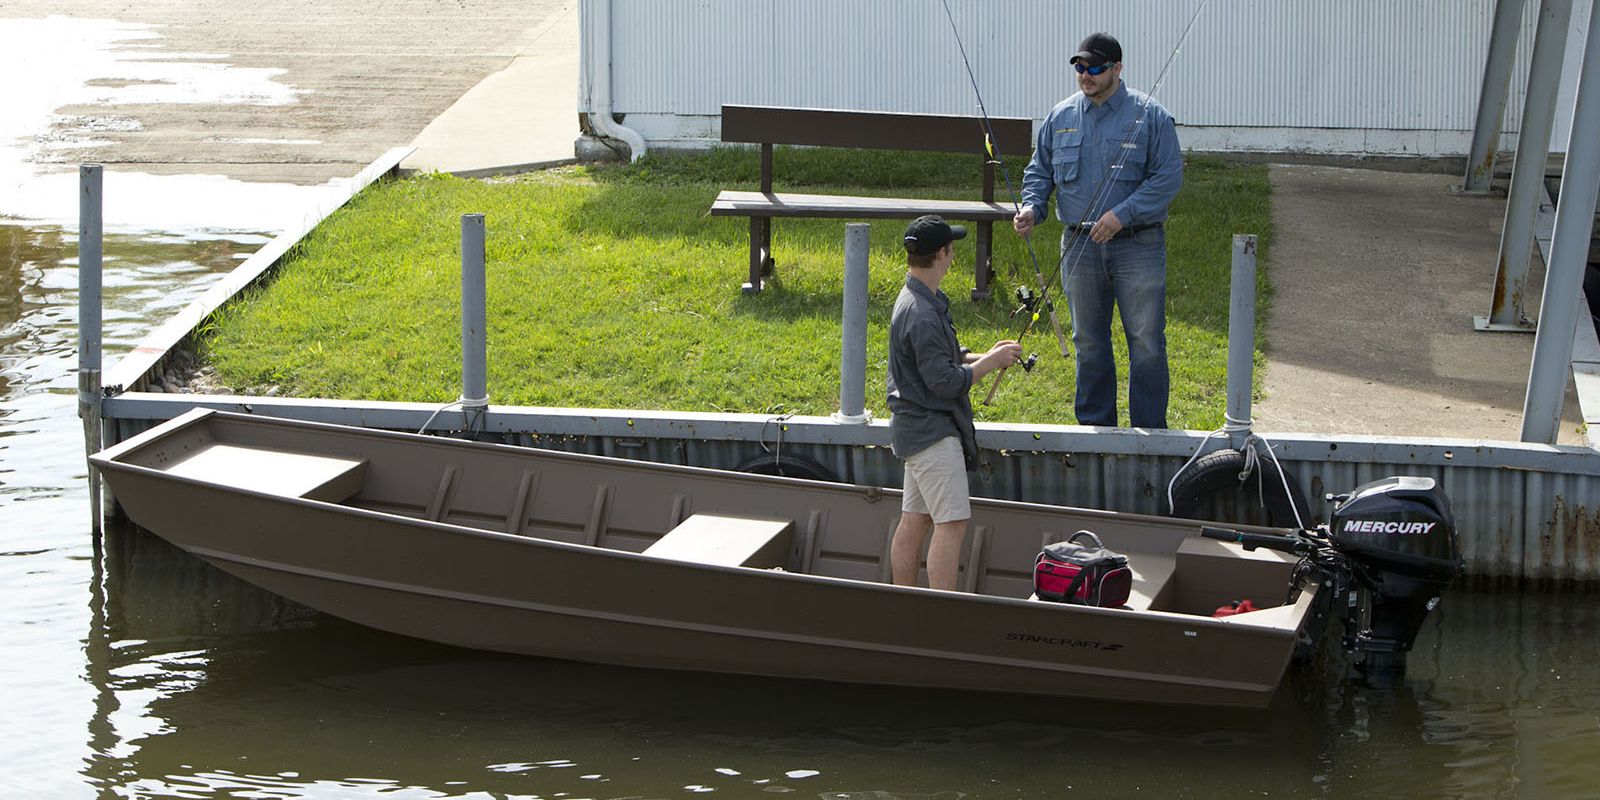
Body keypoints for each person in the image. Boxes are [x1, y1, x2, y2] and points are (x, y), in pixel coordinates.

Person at [1014, 32, 1183, 428]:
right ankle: (1095, 431)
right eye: (1079, 67)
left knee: (1146, 343)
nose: (1085, 75)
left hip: (1137, 245)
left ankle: (1150, 434)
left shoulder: (1151, 115)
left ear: (1117, 69)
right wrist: (1031, 208)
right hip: (1078, 245)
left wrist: (1123, 213)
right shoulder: (1061, 117)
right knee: (1088, 343)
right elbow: (1039, 171)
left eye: (1094, 68)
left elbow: (1168, 178)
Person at [887, 215, 1022, 590]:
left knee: (915, 519)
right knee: (951, 523)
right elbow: (945, 382)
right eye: (952, 248)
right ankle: (942, 611)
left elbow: (939, 361)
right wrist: (990, 363)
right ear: (943, 254)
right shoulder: (924, 313)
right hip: (932, 433)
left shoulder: (914, 298)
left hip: (913, 431)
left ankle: (903, 598)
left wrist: (984, 355)